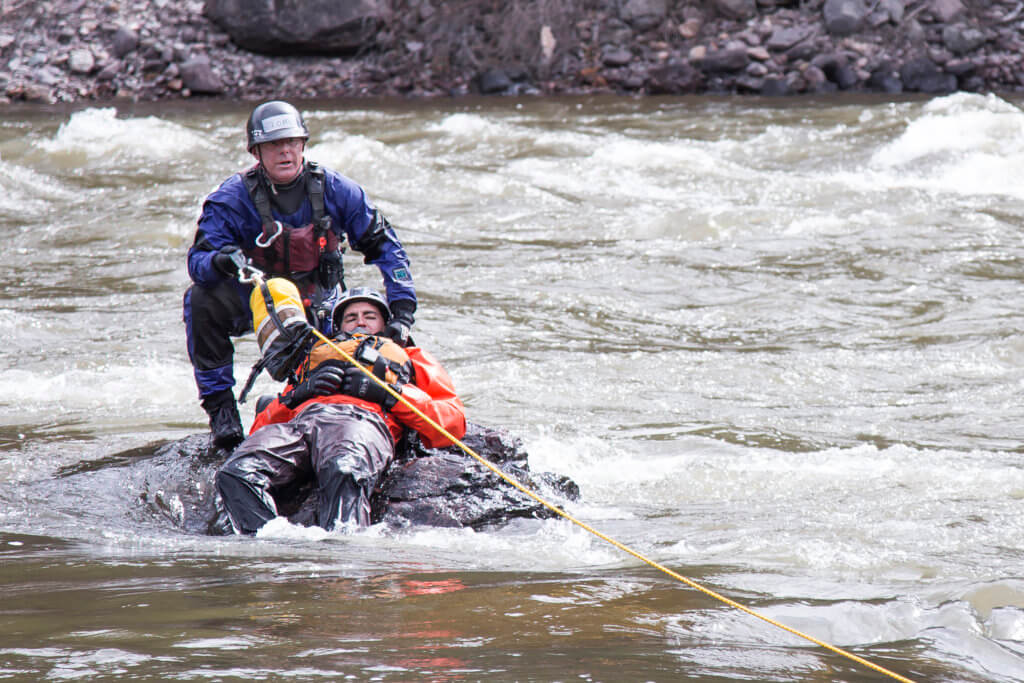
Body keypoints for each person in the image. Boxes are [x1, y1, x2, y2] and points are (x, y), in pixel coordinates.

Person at [183, 100, 417, 451]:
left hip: (319, 307)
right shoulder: (231, 199)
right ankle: (222, 413)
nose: (285, 151)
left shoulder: (337, 190)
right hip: (258, 303)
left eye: (291, 142)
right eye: (274, 145)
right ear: (256, 152)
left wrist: (402, 314)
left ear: (303, 145)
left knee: (361, 348)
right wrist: (221, 262)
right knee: (200, 300)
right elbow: (198, 263)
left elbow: (388, 249)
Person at [214, 285, 466, 535]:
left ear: (385, 323)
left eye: (369, 316)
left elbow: (452, 422)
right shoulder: (314, 355)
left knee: (344, 469)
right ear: (338, 326)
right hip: (301, 424)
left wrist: (391, 394)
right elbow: (260, 429)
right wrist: (297, 395)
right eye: (351, 317)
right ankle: (269, 547)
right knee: (236, 472)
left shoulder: (409, 355)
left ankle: (344, 565)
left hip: (362, 422)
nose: (360, 322)